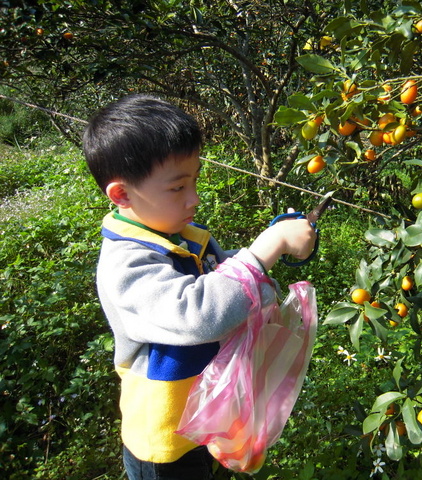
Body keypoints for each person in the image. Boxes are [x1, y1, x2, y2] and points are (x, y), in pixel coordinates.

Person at [82, 94, 317, 480]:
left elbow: (228, 279)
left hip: (203, 418)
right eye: (177, 188)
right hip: (165, 445)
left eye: (195, 180)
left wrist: (271, 254)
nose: (194, 198)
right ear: (122, 194)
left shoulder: (181, 235)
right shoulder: (126, 265)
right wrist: (267, 248)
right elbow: (198, 315)